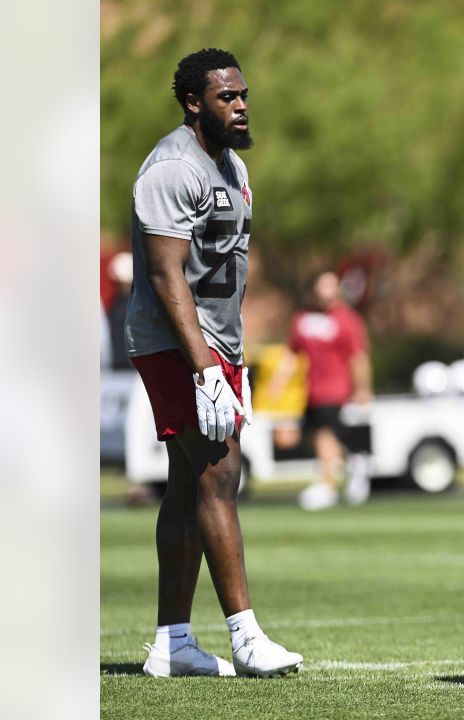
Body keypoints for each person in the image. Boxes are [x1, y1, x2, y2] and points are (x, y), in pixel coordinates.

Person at [124, 48, 302, 678]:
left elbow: (222, 273)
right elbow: (166, 274)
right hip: (176, 344)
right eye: (227, 97)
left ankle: (172, 643)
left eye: (243, 94)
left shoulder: (229, 165)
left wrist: (232, 358)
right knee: (220, 476)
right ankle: (246, 637)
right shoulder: (174, 167)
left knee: (188, 483)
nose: (242, 105)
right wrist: (203, 369)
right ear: (194, 103)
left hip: (214, 346)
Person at [270, 270, 374, 510]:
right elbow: (291, 353)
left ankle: (326, 485)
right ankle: (353, 462)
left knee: (324, 434)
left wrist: (363, 388)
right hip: (311, 389)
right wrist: (278, 382)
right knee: (311, 436)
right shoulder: (302, 319)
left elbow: (358, 357)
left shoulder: (346, 319)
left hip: (336, 388)